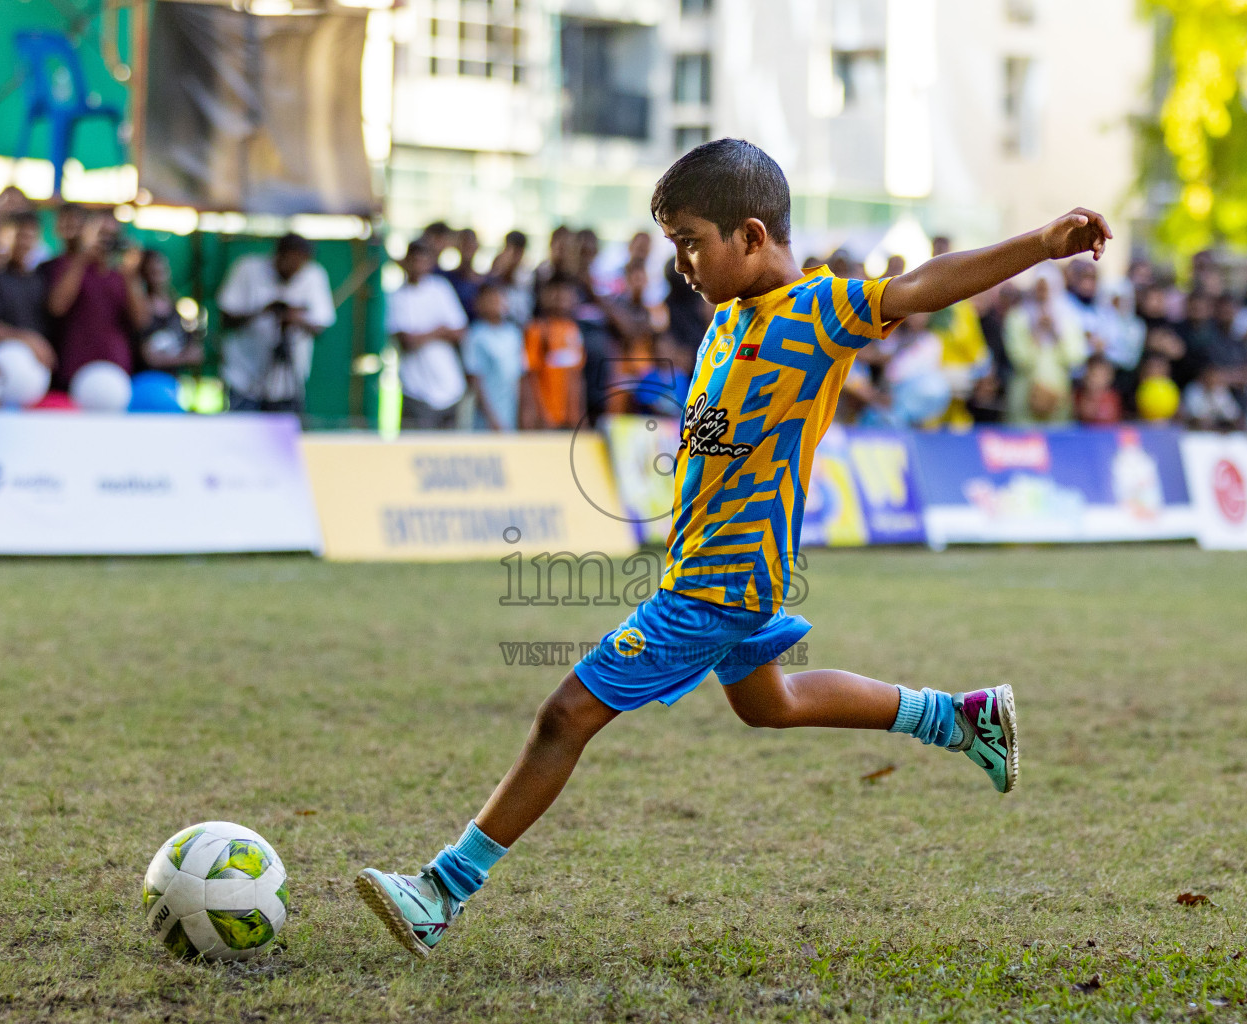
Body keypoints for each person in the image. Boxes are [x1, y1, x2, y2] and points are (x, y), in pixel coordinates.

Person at [353, 137, 1111, 957]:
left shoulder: (814, 310)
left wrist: (1039, 244)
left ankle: (441, 889)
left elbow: (919, 288)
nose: (681, 262)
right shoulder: (725, 323)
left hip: (719, 583)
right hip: (711, 568)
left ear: (751, 237)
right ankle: (961, 719)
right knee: (769, 703)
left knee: (564, 715)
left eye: (690, 242)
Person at [217, 234, 335, 412]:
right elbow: (225, 318)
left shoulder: (314, 275)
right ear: (278, 255)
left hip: (286, 383)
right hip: (245, 376)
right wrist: (265, 311)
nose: (295, 270)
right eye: (290, 262)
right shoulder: (248, 268)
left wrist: (295, 318)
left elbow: (320, 324)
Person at [45, 210, 150, 388]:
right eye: (101, 235)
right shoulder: (65, 265)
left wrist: (131, 276)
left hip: (115, 369)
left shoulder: (124, 274)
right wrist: (82, 258)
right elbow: (57, 307)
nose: (106, 241)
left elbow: (142, 321)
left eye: (112, 236)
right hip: (75, 368)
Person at [387, 240, 469, 429]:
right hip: (417, 391)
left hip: (451, 388)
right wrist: (440, 330)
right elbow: (407, 341)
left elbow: (459, 332)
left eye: (423, 260)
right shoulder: (396, 296)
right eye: (414, 260)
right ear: (405, 262)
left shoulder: (441, 288)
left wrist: (423, 335)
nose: (419, 265)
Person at [1004, 268, 1086, 424]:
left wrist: (1056, 332)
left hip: (1058, 400)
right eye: (1039, 289)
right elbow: (1021, 360)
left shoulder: (1069, 317)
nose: (1043, 294)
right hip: (1024, 400)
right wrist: (1036, 333)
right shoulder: (1018, 317)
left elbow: (1075, 358)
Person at [0, 212, 56, 370]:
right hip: (4, 365)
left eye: (31, 237)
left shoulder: (40, 279)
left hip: (38, 370)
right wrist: (28, 339)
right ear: (3, 237)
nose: (25, 243)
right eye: (20, 236)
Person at [520, 276, 585, 430]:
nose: (560, 297)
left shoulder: (573, 330)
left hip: (570, 418)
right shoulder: (536, 330)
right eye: (555, 293)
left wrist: (579, 414)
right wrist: (540, 414)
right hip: (545, 418)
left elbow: (577, 376)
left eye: (565, 293)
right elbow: (531, 375)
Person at [461, 281, 524, 431]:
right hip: (487, 416)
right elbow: (475, 379)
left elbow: (521, 376)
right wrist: (492, 418)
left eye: (499, 299)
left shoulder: (513, 333)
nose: (495, 304)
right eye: (489, 300)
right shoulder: (476, 335)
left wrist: (524, 412)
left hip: (512, 410)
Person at [138, 250, 204, 373]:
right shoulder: (139, 311)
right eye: (153, 272)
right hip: (147, 380)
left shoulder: (179, 308)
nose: (159, 277)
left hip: (172, 381)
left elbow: (196, 354)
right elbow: (149, 357)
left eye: (162, 271)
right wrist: (183, 358)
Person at [441, 228, 485, 319]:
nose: (468, 248)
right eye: (465, 244)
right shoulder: (446, 278)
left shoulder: (485, 280)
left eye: (471, 244)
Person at [1073, 353, 1122, 425]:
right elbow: (1084, 415)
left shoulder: (1114, 398)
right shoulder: (1078, 396)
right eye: (1093, 375)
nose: (1096, 380)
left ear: (1110, 377)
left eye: (1101, 376)